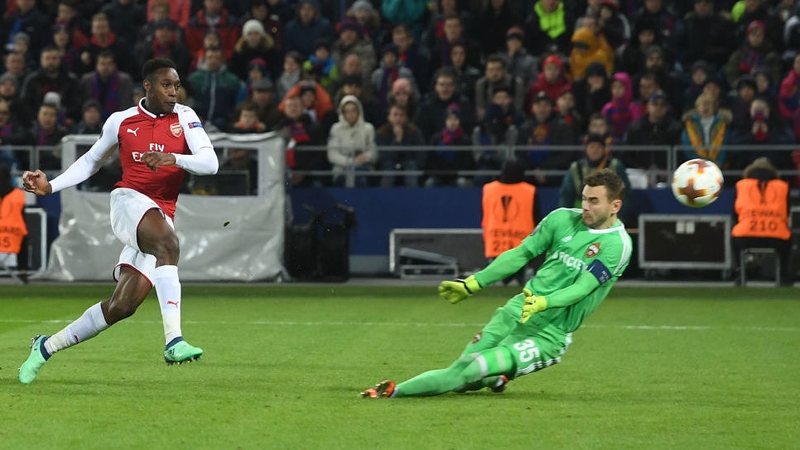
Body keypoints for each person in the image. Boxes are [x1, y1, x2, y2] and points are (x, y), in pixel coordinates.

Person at [17, 58, 219, 384]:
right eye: (166, 85)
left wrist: (174, 157)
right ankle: (174, 341)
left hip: (161, 213)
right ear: (148, 87)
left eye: (177, 85)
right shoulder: (122, 121)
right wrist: (51, 185)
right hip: (128, 201)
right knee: (169, 244)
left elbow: (211, 164)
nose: (173, 91)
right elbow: (92, 161)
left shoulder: (186, 117)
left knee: (122, 306)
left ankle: (44, 347)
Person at [361, 168, 632, 399]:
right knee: (464, 379)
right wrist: (472, 284)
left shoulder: (616, 245)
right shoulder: (561, 218)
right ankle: (497, 378)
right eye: (584, 198)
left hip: (548, 334)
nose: (585, 206)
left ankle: (393, 391)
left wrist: (543, 303)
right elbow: (521, 254)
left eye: (594, 201)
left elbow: (582, 288)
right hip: (515, 312)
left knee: (466, 371)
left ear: (614, 206)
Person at [731, 157, 792, 286]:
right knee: (789, 239)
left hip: (745, 237)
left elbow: (735, 215)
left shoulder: (741, 185)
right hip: (776, 238)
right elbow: (786, 213)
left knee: (734, 235)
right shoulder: (782, 187)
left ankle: (740, 273)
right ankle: (783, 276)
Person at [481, 158, 540, 287]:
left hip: (495, 246)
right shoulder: (530, 191)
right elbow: (537, 220)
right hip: (521, 249)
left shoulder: (488, 190)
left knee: (492, 289)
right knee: (524, 290)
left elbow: (485, 216)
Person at [0, 164, 27, 270]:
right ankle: (23, 270)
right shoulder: (18, 195)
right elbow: (22, 216)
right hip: (14, 232)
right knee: (24, 239)